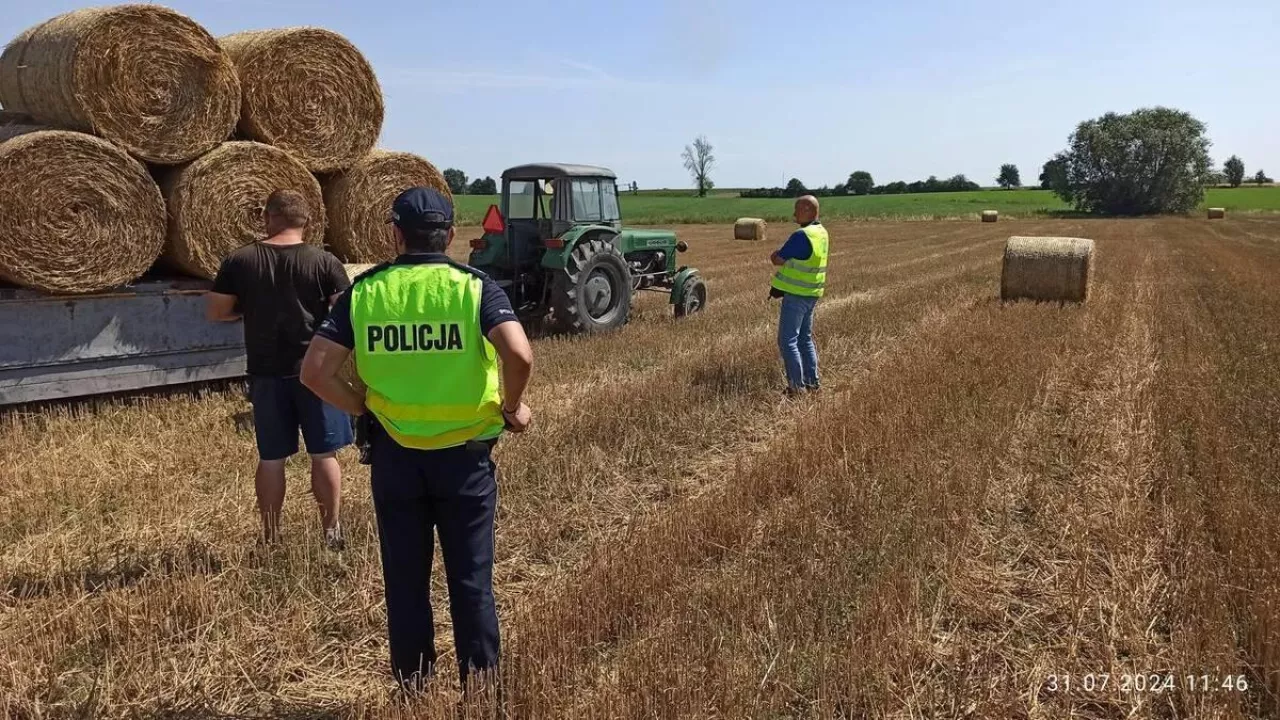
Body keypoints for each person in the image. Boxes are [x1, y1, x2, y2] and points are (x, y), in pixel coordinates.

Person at [299, 186, 534, 692]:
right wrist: (511, 409)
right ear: (449, 235)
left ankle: (414, 686)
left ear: (396, 234)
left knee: (405, 582)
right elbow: (520, 356)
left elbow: (314, 371)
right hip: (466, 462)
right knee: (471, 582)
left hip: (395, 460)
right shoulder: (475, 288)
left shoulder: (367, 291)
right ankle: (482, 686)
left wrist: (363, 407)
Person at [205, 189, 353, 549]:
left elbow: (216, 311)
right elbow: (346, 315)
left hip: (266, 372)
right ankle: (331, 532)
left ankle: (271, 537)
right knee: (324, 455)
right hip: (317, 372)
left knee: (271, 459)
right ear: (307, 221)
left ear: (267, 217)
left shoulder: (239, 260)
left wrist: (250, 311)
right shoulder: (324, 262)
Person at [768, 195, 828, 397]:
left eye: (797, 209)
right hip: (812, 293)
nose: (793, 214)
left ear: (807, 210)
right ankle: (813, 383)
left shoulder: (802, 235)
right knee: (805, 339)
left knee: (788, 341)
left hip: (796, 295)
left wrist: (774, 255)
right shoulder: (821, 232)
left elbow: (778, 259)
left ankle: (796, 387)